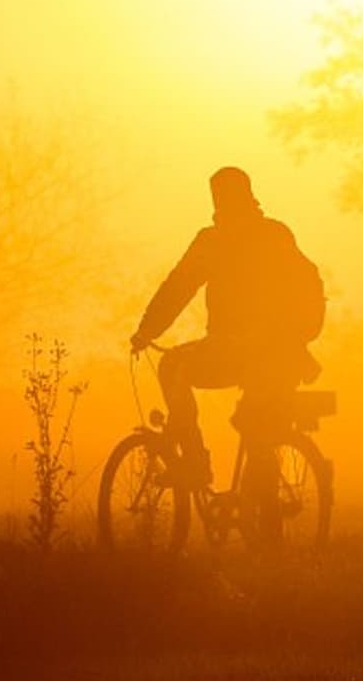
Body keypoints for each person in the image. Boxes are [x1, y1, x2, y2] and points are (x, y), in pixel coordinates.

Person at [130, 167, 325, 487]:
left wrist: (146, 332)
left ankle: (194, 462)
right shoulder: (276, 234)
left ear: (217, 199)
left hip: (234, 351)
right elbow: (307, 284)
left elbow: (178, 288)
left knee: (172, 366)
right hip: (284, 354)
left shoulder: (213, 242)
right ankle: (260, 506)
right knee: (257, 425)